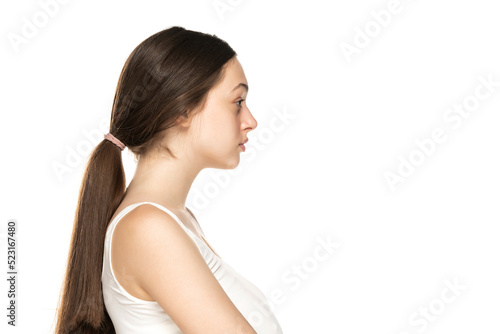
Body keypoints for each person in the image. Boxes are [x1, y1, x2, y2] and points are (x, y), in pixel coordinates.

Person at [54, 26, 283, 333]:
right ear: (183, 110)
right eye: (237, 102)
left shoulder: (174, 221)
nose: (251, 121)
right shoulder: (148, 227)